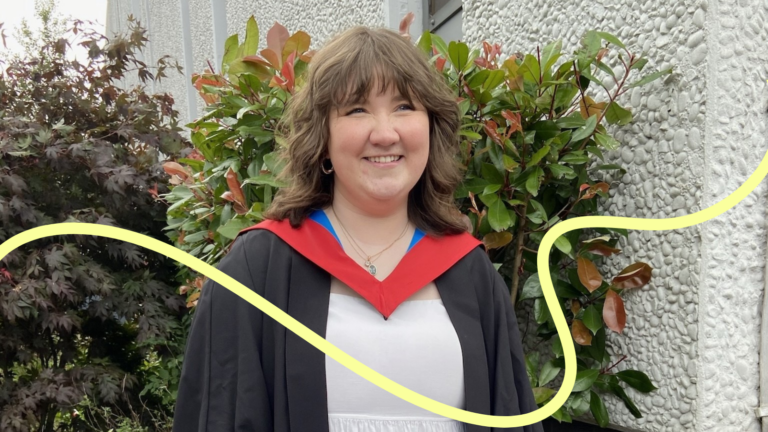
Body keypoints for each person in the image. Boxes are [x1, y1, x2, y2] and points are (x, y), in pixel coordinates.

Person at [172, 25, 543, 432]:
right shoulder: (257, 272)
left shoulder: (471, 273)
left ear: (430, 129)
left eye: (404, 107)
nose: (385, 134)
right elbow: (217, 416)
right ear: (322, 138)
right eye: (356, 109)